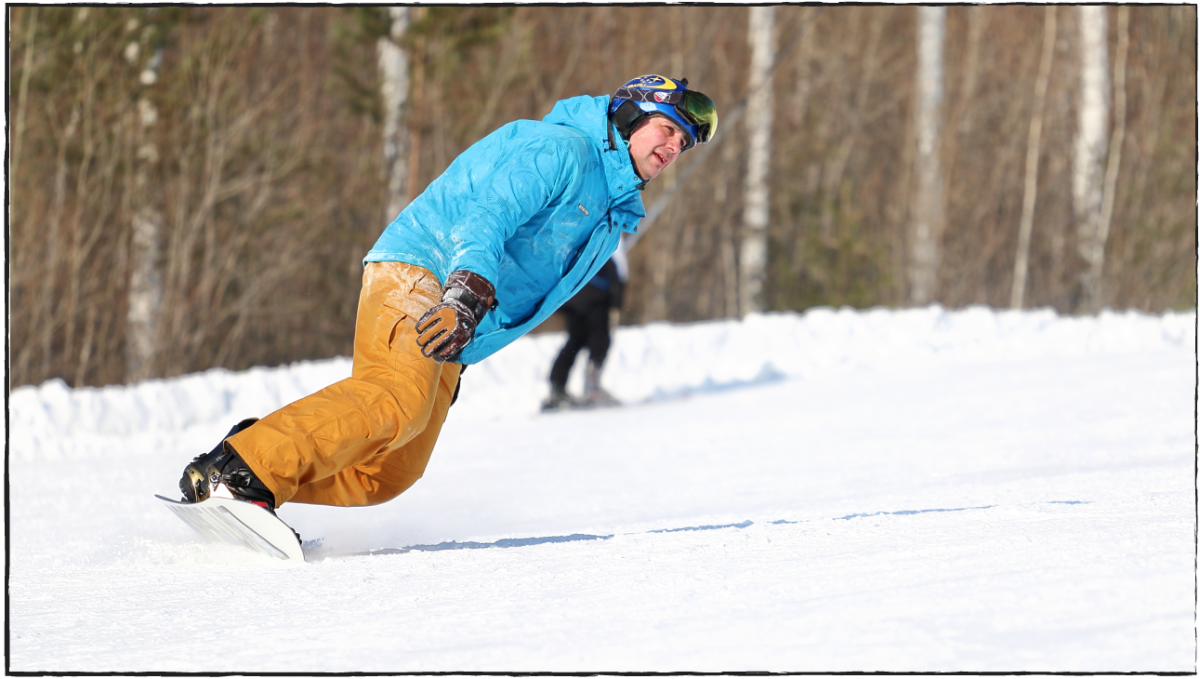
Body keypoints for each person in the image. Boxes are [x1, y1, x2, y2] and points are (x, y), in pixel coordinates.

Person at [177, 75, 718, 515]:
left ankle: (258, 472)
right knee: (396, 402)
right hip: (428, 271)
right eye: (666, 130)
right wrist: (465, 292)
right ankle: (243, 468)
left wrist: (468, 344)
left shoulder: (610, 213)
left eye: (683, 144)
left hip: (461, 318)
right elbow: (488, 214)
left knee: (388, 474)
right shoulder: (562, 149)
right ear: (629, 117)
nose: (673, 147)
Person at [542, 239, 628, 411]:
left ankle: (557, 386)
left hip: (572, 291)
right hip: (597, 293)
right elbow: (618, 261)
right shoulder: (614, 222)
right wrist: (618, 294)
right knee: (601, 337)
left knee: (576, 339)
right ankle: (592, 385)